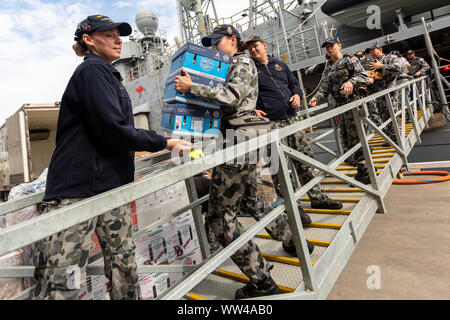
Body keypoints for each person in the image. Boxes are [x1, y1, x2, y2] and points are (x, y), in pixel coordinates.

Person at [31, 15, 193, 300]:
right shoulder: (92, 72)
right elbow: (112, 129)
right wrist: (164, 142)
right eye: (109, 34)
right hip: (78, 193)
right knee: (62, 280)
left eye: (119, 34)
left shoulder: (108, 74)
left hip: (110, 189)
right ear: (89, 39)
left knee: (124, 267)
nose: (119, 39)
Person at [175, 25, 314, 299]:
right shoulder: (238, 64)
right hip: (242, 138)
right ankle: (294, 241)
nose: (214, 48)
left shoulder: (240, 62)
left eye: (218, 42)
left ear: (232, 40)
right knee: (250, 200)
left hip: (237, 141)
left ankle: (262, 282)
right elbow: (242, 101)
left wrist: (193, 88)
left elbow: (232, 96)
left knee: (219, 218)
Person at [246, 35, 343, 218]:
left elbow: (294, 84)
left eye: (256, 46)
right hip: (270, 125)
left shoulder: (279, 64)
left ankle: (318, 197)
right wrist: (253, 110)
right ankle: (294, 206)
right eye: (249, 48)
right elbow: (245, 94)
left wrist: (297, 95)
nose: (253, 50)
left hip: (291, 120)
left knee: (305, 159)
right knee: (279, 167)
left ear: (264, 45)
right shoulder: (249, 70)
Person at [309, 37, 371, 184]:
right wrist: (317, 97)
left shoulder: (349, 60)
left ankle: (366, 169)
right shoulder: (328, 67)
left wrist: (351, 81)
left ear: (339, 46)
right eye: (327, 47)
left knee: (357, 138)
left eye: (332, 46)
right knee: (347, 139)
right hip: (341, 108)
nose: (330, 49)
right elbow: (325, 86)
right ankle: (360, 169)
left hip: (354, 105)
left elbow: (364, 76)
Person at [366, 42, 410, 144]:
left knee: (392, 116)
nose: (371, 53)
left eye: (373, 50)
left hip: (390, 93)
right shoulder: (371, 63)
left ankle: (399, 138)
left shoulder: (390, 58)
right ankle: (393, 138)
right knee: (384, 117)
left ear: (380, 49)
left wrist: (381, 66)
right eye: (370, 52)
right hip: (378, 94)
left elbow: (399, 67)